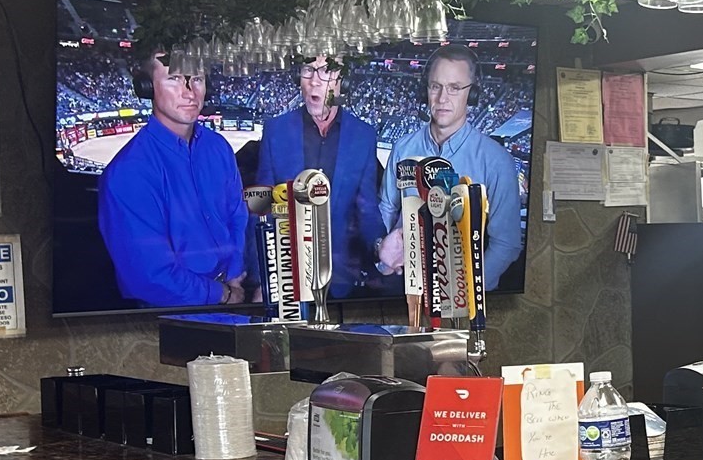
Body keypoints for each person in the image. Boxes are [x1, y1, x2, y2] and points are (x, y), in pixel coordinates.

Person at [97, 49, 250, 307]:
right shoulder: (128, 172)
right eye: (174, 78)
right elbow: (150, 275)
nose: (189, 92)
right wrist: (221, 294)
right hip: (166, 313)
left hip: (231, 294)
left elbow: (237, 215)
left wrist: (234, 276)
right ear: (147, 87)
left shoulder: (218, 147)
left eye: (196, 79)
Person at [377, 45, 525, 288]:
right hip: (402, 285)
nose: (442, 99)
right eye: (435, 86)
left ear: (473, 94)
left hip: (463, 295)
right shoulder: (403, 147)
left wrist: (465, 290)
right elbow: (387, 208)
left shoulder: (496, 161)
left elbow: (506, 244)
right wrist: (382, 253)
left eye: (455, 88)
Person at [255, 55, 385, 298]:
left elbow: (367, 211)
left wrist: (380, 246)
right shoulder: (275, 130)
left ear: (343, 81)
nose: (314, 81)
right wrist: (262, 279)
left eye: (326, 71)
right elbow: (263, 210)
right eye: (308, 70)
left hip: (340, 283)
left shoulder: (363, 136)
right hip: (285, 280)